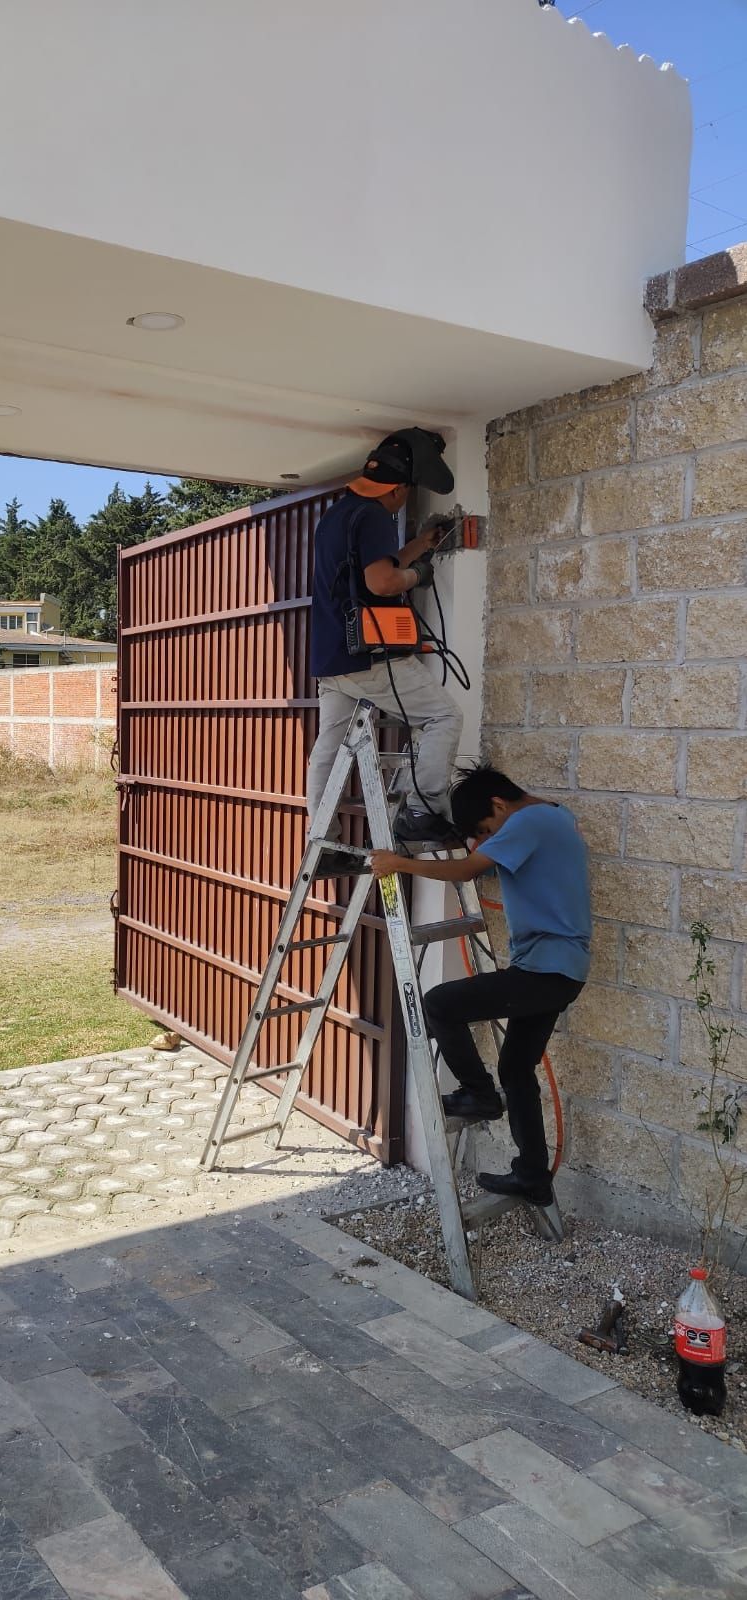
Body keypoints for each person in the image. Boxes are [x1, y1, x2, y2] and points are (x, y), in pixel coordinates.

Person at [368, 764, 591, 1208]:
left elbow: (470, 870)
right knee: (516, 1067)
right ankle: (533, 1176)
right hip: (559, 970)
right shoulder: (554, 816)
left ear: (498, 804)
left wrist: (398, 863)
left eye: (488, 829)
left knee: (440, 1003)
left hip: (544, 970)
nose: (487, 841)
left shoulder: (529, 820)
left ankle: (478, 1094)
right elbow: (487, 861)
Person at [307, 427, 463, 873]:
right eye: (403, 498)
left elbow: (371, 567)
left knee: (330, 748)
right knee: (442, 717)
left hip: (332, 658)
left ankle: (322, 844)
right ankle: (420, 812)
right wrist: (418, 576)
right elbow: (381, 582)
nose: (400, 505)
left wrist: (420, 546)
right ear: (397, 489)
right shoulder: (374, 515)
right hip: (371, 656)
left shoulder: (338, 515)